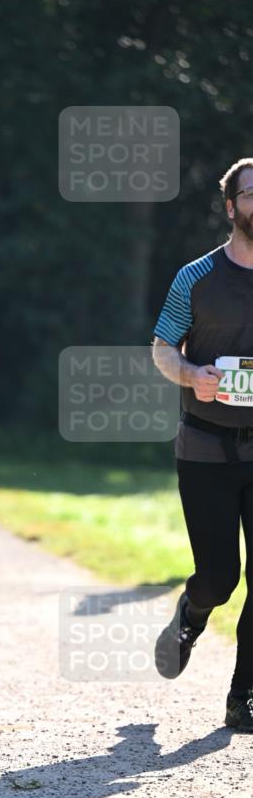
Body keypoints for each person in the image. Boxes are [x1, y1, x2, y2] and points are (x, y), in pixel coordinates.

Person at [152, 157, 253, 732]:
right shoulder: (196, 276)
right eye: (252, 192)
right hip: (206, 445)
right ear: (231, 205)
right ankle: (192, 614)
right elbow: (163, 347)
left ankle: (245, 693)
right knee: (219, 576)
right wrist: (191, 375)